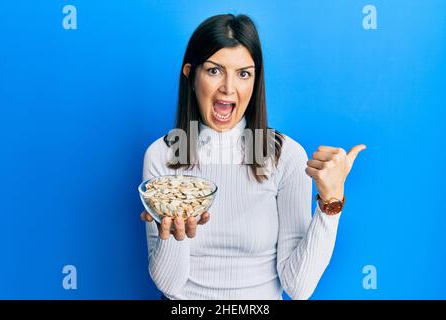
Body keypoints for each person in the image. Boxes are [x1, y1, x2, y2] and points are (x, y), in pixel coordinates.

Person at [140, 13, 366, 300]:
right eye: (214, 71)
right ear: (190, 74)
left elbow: (299, 287)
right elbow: (169, 285)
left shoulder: (285, 156)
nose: (228, 87)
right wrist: (173, 233)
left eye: (243, 73)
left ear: (256, 80)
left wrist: (330, 203)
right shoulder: (162, 155)